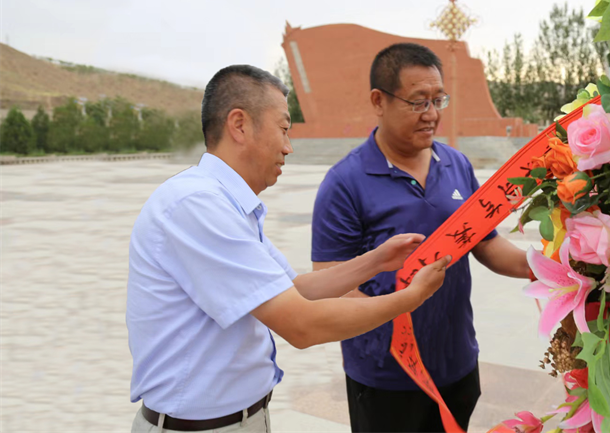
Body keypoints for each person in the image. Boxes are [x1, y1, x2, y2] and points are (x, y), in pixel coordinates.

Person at [126, 64, 449, 433]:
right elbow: (301, 325)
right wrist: (410, 298)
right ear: (240, 125)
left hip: (240, 419)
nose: (288, 147)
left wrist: (376, 261)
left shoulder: (229, 204)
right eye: (283, 129)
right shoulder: (196, 205)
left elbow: (295, 289)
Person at [311, 43, 531, 433]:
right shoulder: (345, 183)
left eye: (438, 99)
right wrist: (397, 311)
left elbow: (487, 244)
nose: (432, 115)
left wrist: (547, 268)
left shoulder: (457, 164)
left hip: (457, 361)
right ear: (378, 101)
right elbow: (330, 280)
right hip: (386, 375)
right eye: (417, 102)